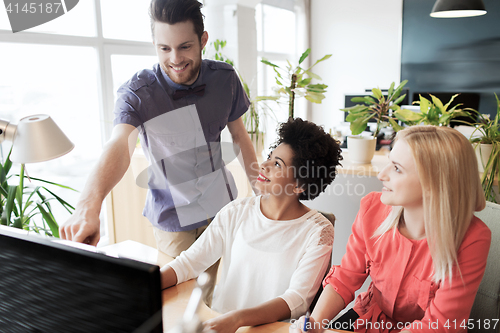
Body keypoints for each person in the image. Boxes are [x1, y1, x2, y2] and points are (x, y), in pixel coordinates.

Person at [60, 0, 258, 259]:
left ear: (203, 40)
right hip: (173, 221)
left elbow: (239, 136)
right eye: (165, 48)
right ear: (154, 44)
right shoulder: (138, 93)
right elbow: (119, 145)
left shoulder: (225, 79)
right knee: (180, 296)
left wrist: (262, 191)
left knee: (213, 292)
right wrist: (88, 205)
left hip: (221, 209)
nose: (175, 59)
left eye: (185, 46)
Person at [290, 125, 492, 333]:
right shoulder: (372, 208)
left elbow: (441, 324)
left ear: (434, 183)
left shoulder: (473, 239)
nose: (381, 175)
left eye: (397, 168)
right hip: (368, 317)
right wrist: (314, 323)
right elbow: (345, 278)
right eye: (389, 162)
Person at [161, 118, 343, 333]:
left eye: (277, 164)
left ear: (298, 185)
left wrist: (238, 319)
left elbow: (297, 300)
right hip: (219, 325)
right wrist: (144, 284)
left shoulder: (318, 231)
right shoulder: (236, 211)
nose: (263, 165)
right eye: (269, 157)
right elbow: (188, 264)